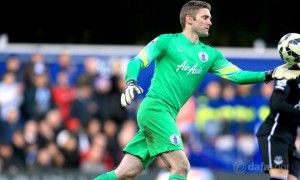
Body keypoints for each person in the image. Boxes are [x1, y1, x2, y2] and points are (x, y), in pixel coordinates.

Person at [94, 1, 300, 180]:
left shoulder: (209, 55)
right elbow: (138, 61)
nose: (210, 21)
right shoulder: (167, 41)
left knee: (125, 174)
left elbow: (238, 75)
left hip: (166, 115)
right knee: (181, 166)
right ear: (189, 19)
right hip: (155, 109)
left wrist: (270, 73)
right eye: (205, 17)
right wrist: (130, 82)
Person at [256, 63, 300, 180]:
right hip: (275, 133)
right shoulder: (288, 72)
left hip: (290, 137)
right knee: (280, 175)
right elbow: (277, 103)